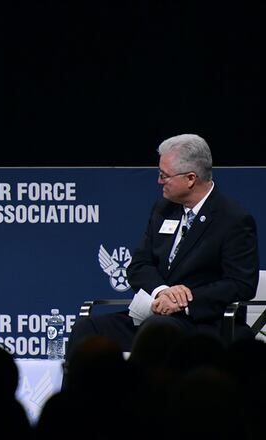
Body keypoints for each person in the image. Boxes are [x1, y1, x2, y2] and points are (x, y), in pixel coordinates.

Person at [69, 134, 259, 354]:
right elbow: (139, 265)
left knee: (157, 331)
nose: (159, 181)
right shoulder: (163, 209)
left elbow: (240, 283)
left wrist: (185, 300)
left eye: (164, 175)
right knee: (88, 328)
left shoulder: (232, 219)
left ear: (190, 178)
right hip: (155, 314)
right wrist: (162, 292)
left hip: (204, 322)